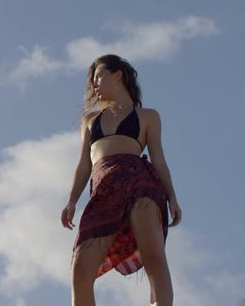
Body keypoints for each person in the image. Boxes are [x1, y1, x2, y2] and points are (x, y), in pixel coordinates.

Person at [60, 54, 182, 306]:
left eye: (98, 77)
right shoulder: (89, 121)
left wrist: (172, 198)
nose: (94, 85)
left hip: (139, 183)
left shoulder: (148, 116)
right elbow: (84, 165)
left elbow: (159, 160)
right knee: (80, 270)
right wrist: (71, 201)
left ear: (118, 76)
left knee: (153, 256)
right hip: (102, 188)